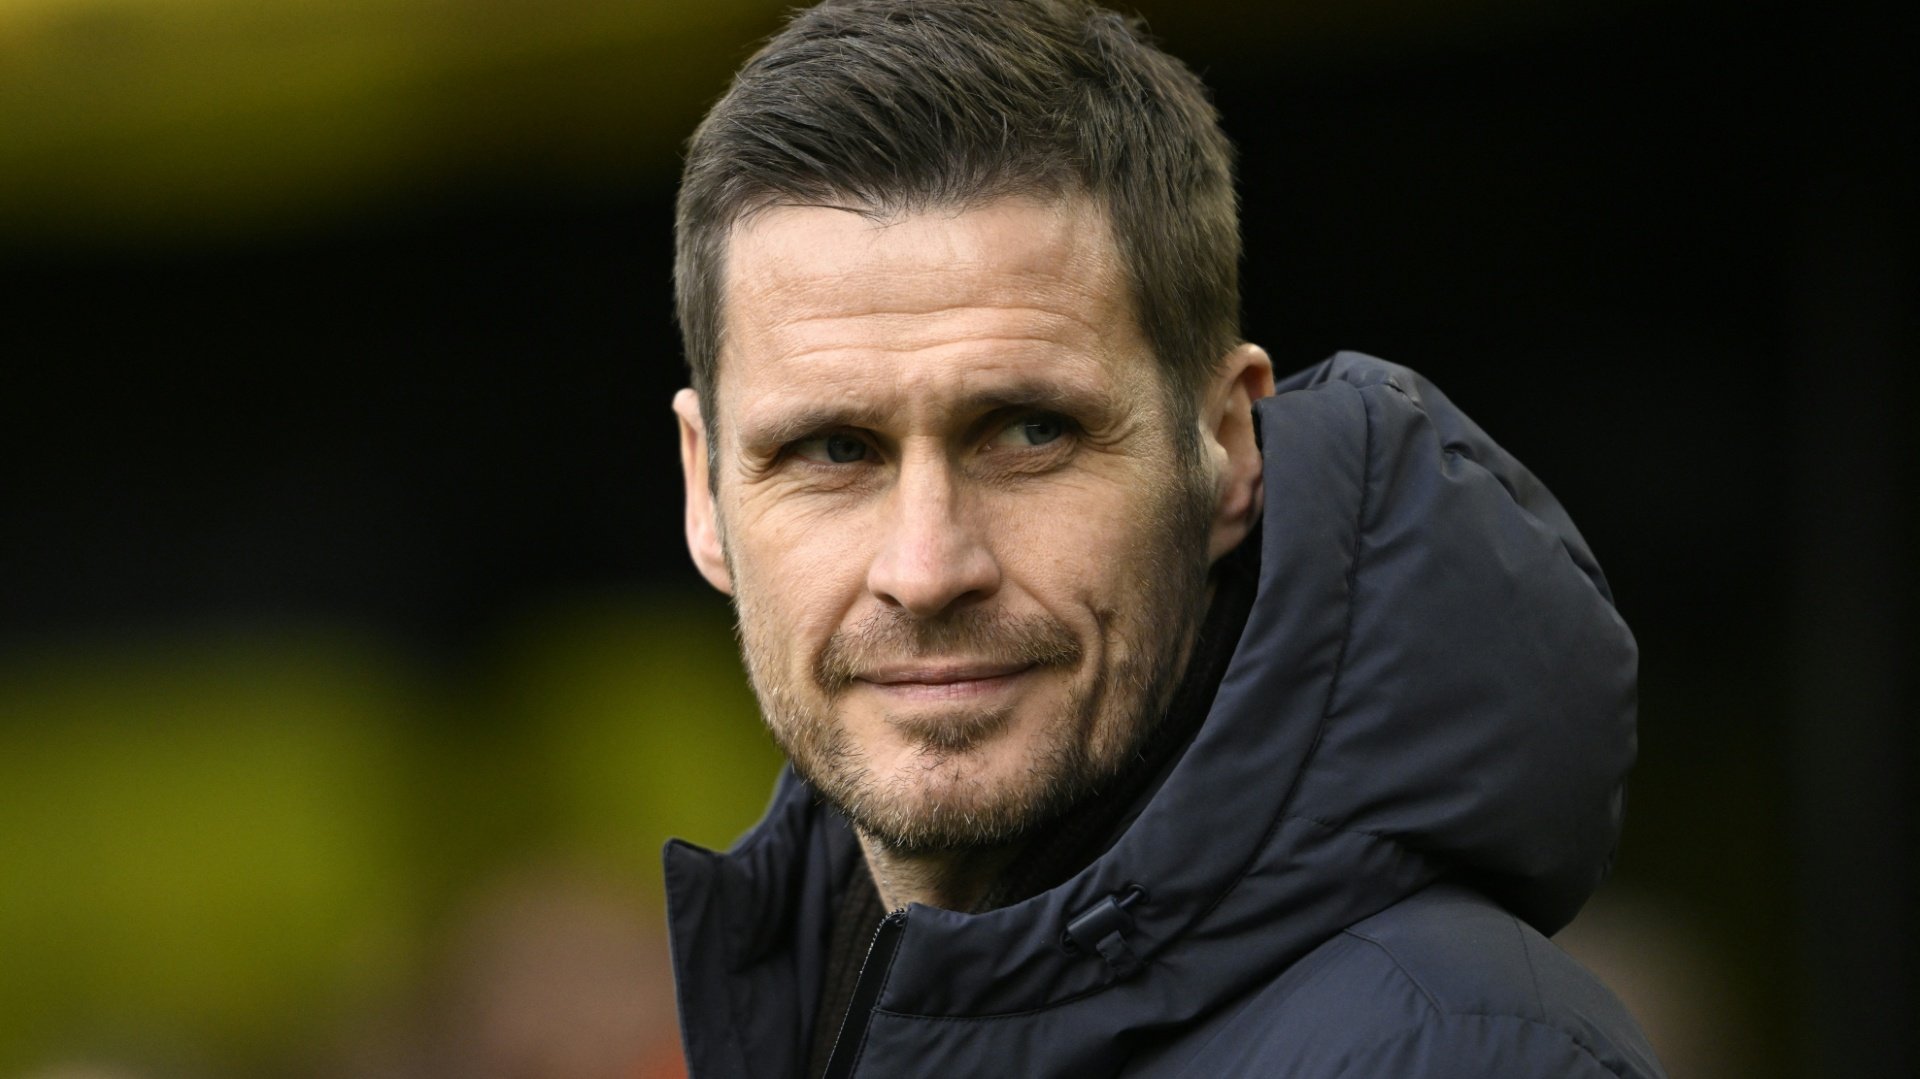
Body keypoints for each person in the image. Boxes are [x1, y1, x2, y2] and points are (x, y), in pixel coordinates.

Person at [661, 2, 1664, 1076]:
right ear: (704, 491)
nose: (927, 567)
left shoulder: (1461, 1055)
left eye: (1032, 431)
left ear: (1228, 447)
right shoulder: (801, 1004)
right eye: (832, 449)